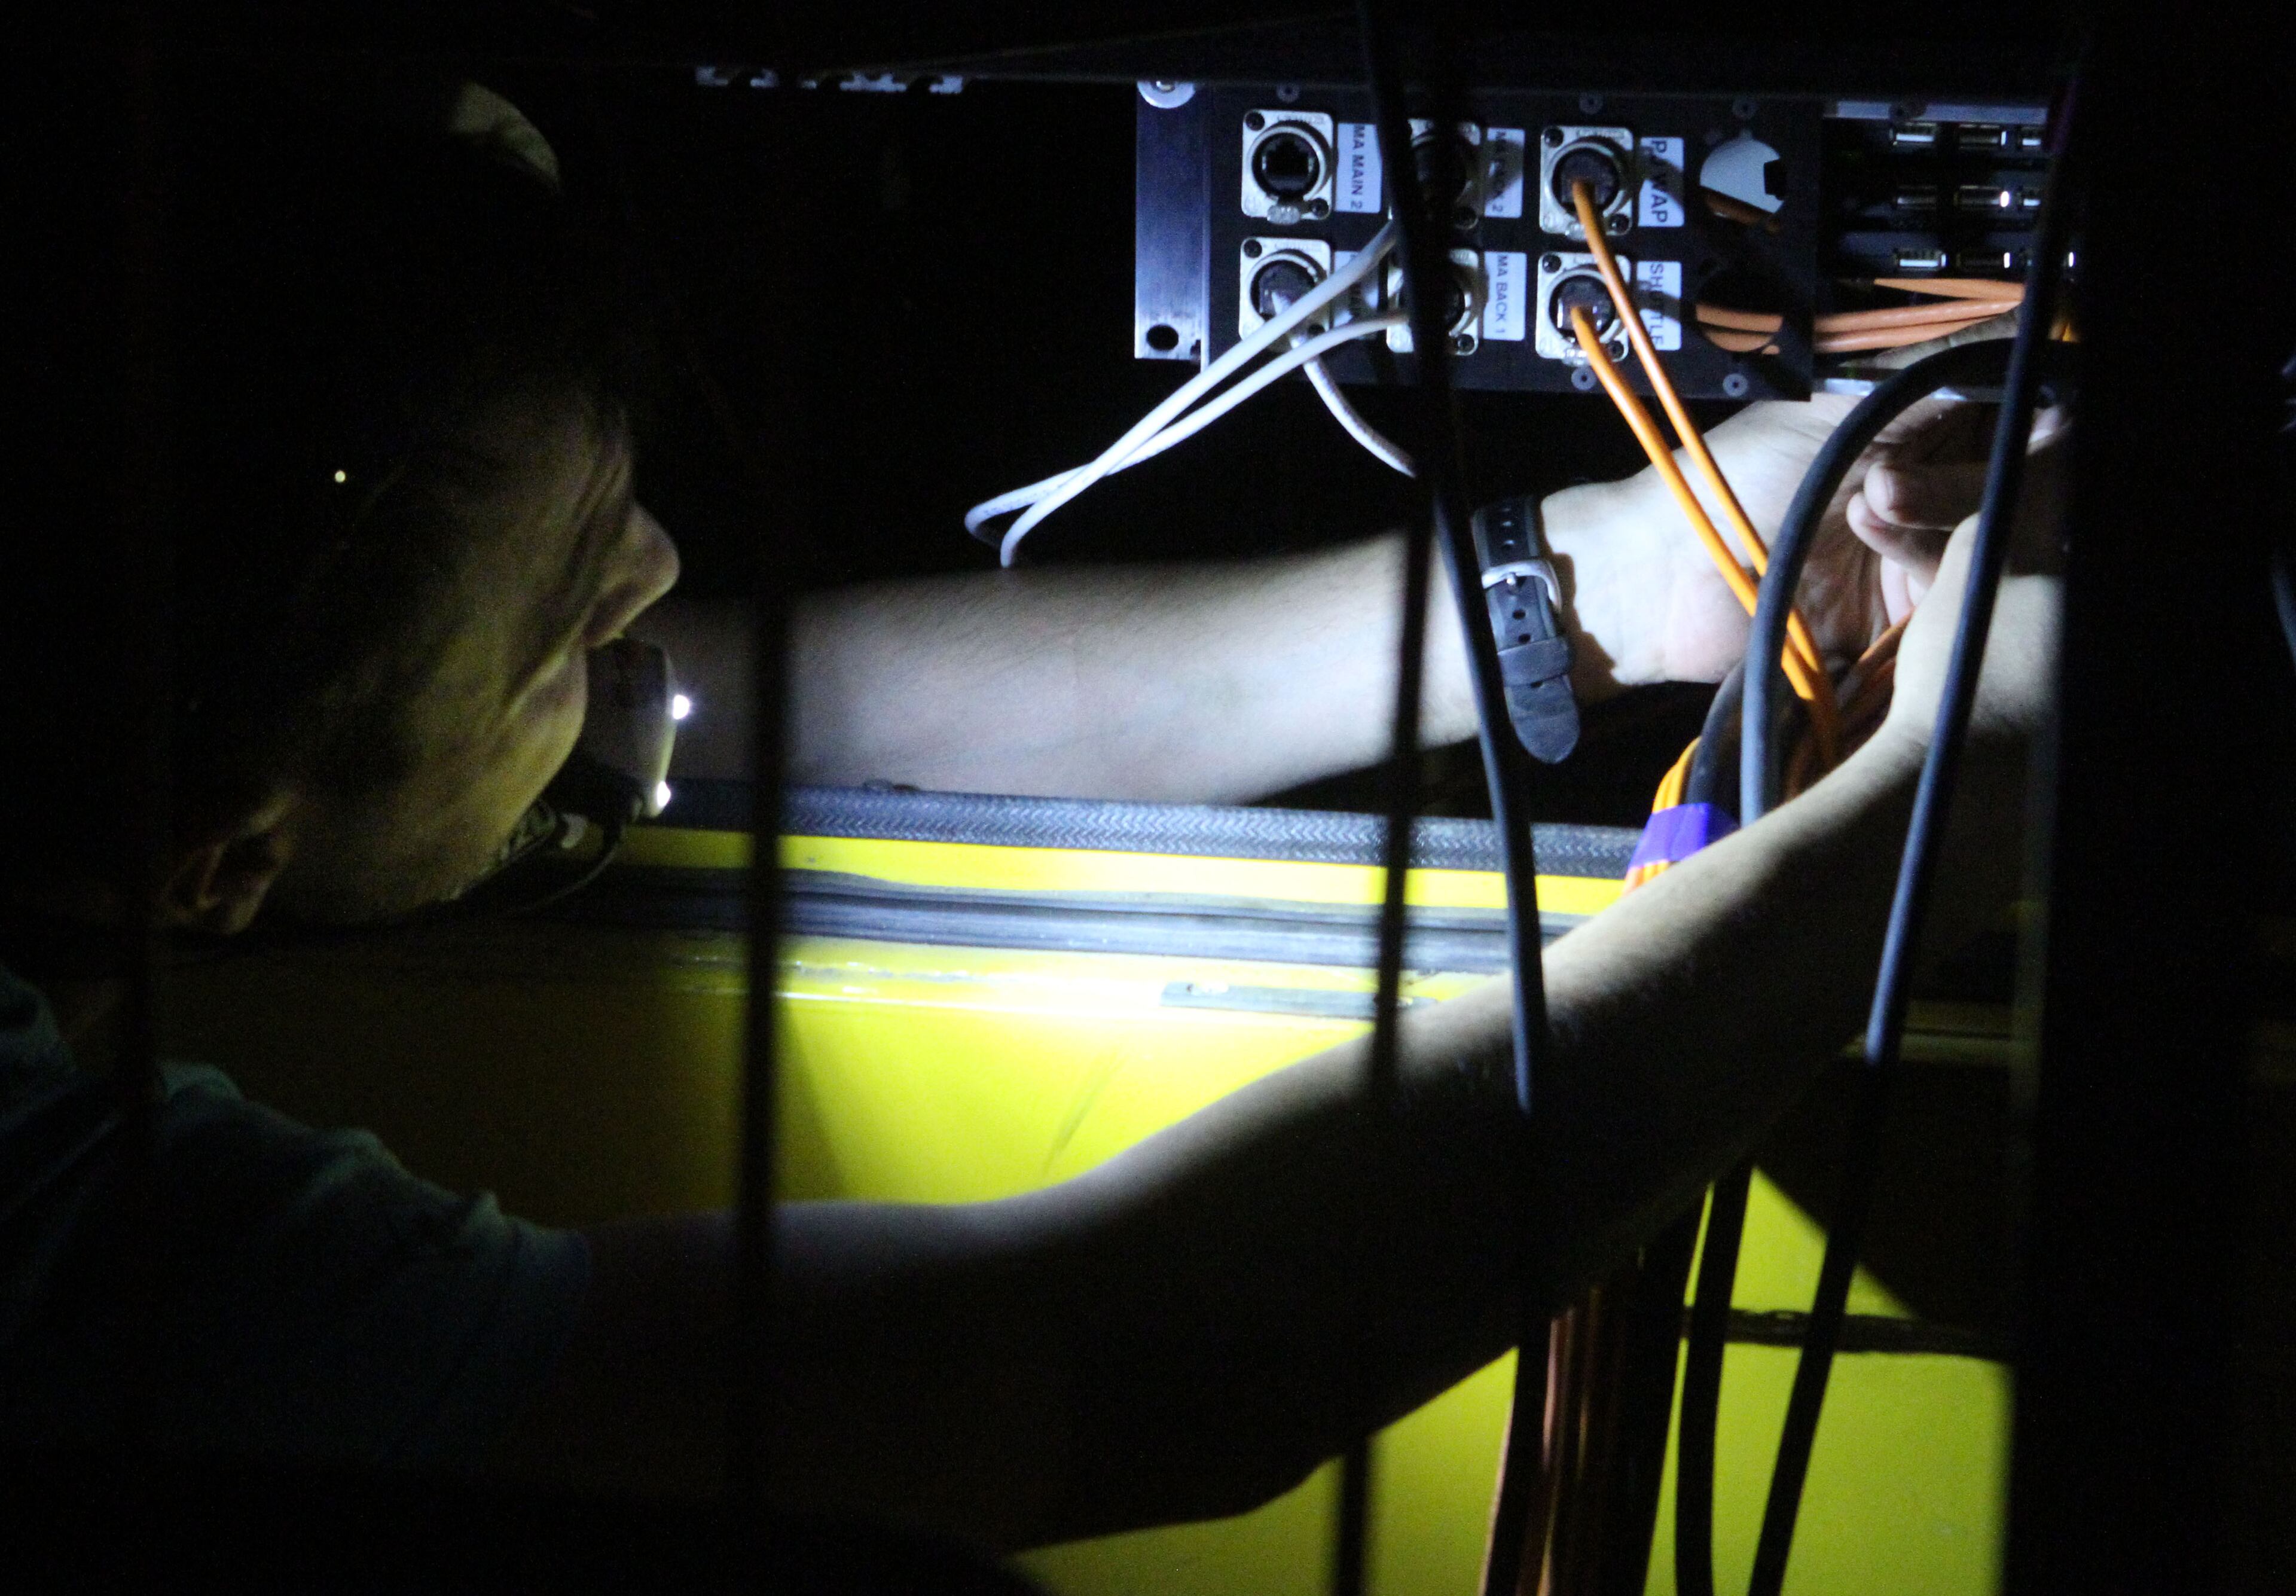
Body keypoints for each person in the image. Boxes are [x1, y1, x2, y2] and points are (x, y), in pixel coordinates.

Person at [0, 68, 2064, 1552]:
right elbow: (1087, 1371)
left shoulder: (149, 729)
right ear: (216, 862)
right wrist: (1928, 816)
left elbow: (772, 708)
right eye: (567, 609)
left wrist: (1609, 578)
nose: (646, 588)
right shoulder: (86, 1268)